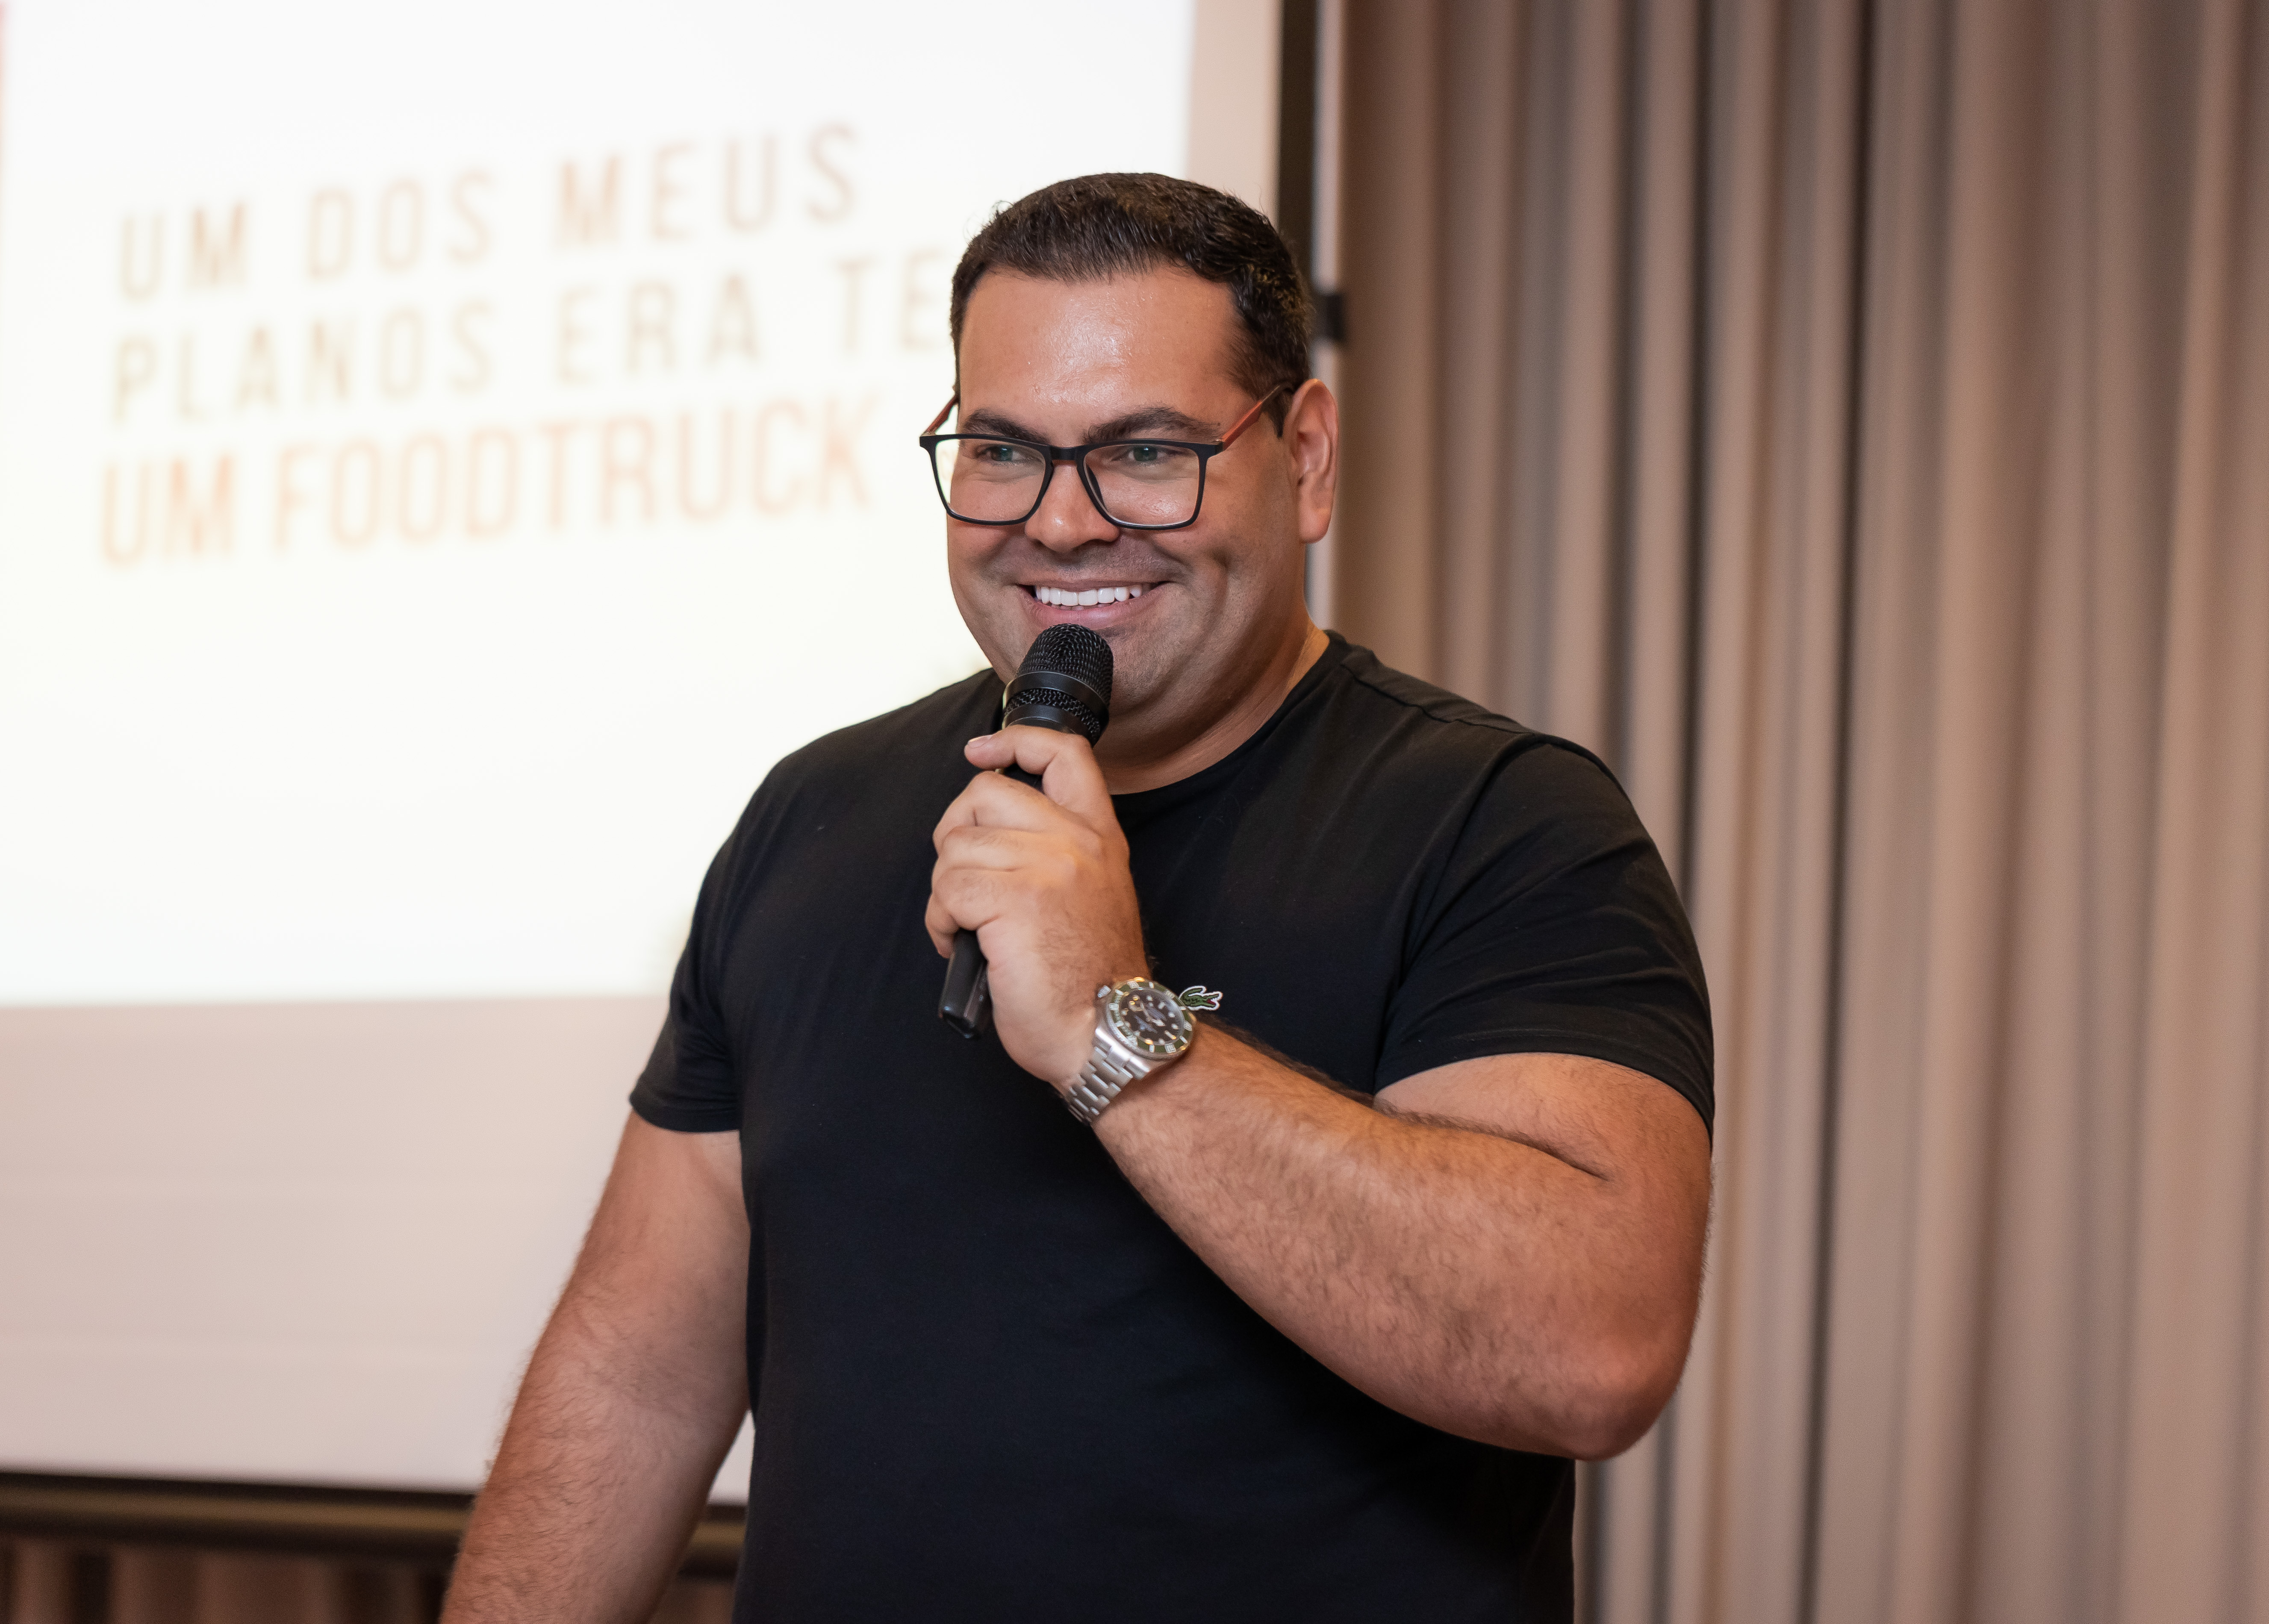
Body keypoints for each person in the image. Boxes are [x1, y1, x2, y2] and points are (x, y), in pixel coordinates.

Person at [442, 173, 1712, 1624]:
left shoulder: (1499, 823)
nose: (1059, 523)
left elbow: (1586, 1357)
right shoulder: (814, 814)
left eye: (1145, 452)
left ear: (1303, 459)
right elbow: (634, 1373)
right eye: (1002, 451)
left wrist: (1119, 1028)